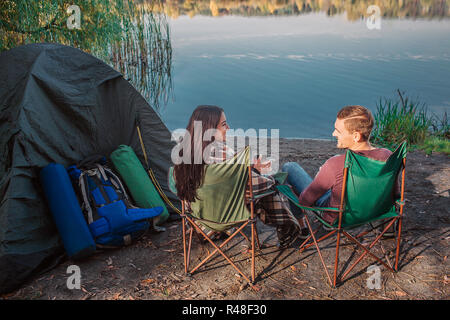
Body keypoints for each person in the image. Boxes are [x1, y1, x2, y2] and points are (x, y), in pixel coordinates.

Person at [171, 105, 302, 248]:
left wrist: (248, 169)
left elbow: (212, 178)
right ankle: (287, 229)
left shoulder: (184, 159)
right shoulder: (223, 158)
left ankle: (205, 230)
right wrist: (263, 175)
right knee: (269, 189)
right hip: (229, 216)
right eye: (224, 124)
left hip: (200, 219)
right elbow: (259, 185)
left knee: (245, 182)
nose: (228, 128)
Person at [282, 105, 395, 229]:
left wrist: (317, 181)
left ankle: (301, 228)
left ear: (356, 136)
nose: (333, 133)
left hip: (339, 217)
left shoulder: (335, 164)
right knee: (336, 172)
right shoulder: (387, 155)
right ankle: (388, 228)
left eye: (338, 131)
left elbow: (305, 201)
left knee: (289, 167)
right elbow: (393, 193)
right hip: (375, 211)